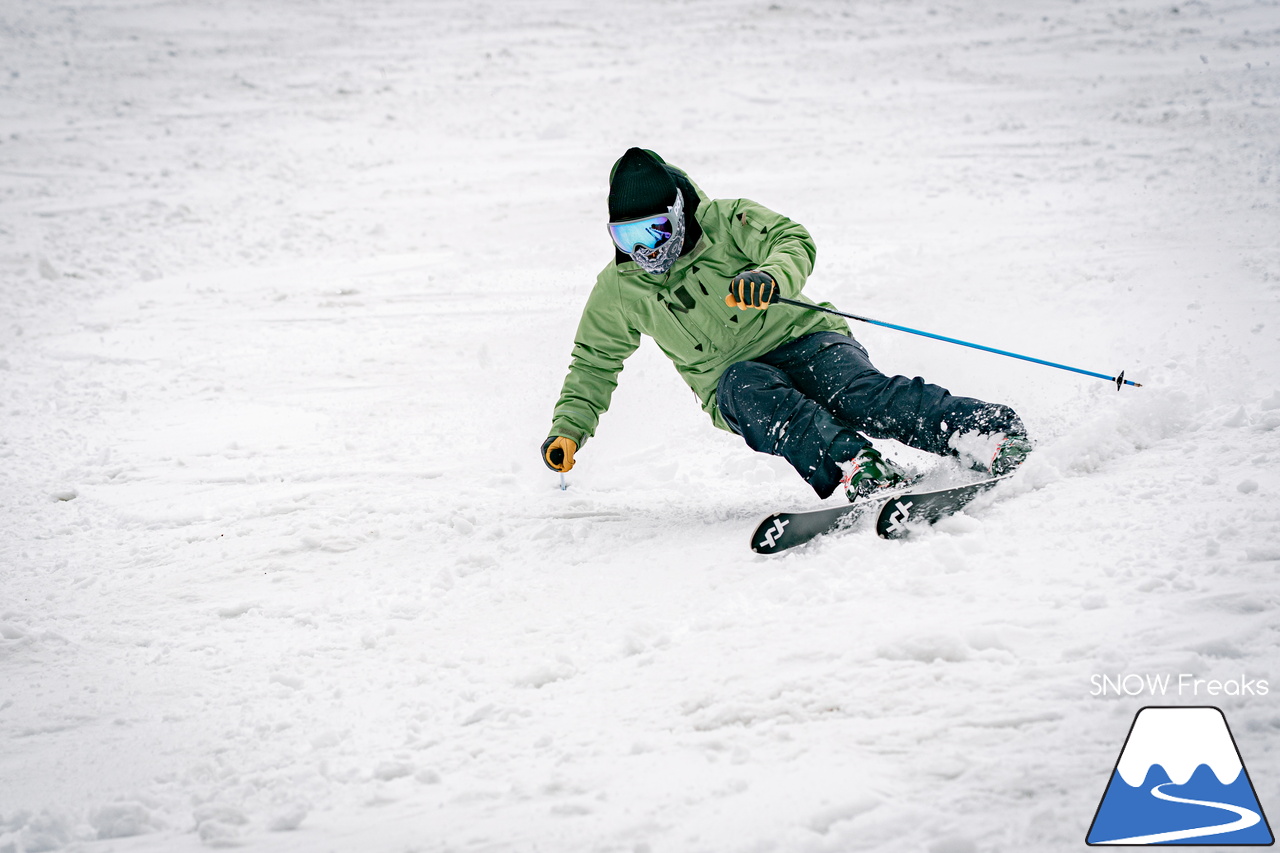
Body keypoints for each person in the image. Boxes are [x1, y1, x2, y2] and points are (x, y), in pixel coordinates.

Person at [541, 147, 1031, 501]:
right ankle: (857, 466)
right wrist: (568, 430)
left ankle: (982, 432)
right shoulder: (620, 288)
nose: (645, 249)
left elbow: (790, 239)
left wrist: (771, 275)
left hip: (806, 340)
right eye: (627, 237)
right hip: (735, 386)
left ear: (678, 213)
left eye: (655, 230)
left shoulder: (726, 221)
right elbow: (593, 363)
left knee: (859, 395)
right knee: (746, 384)